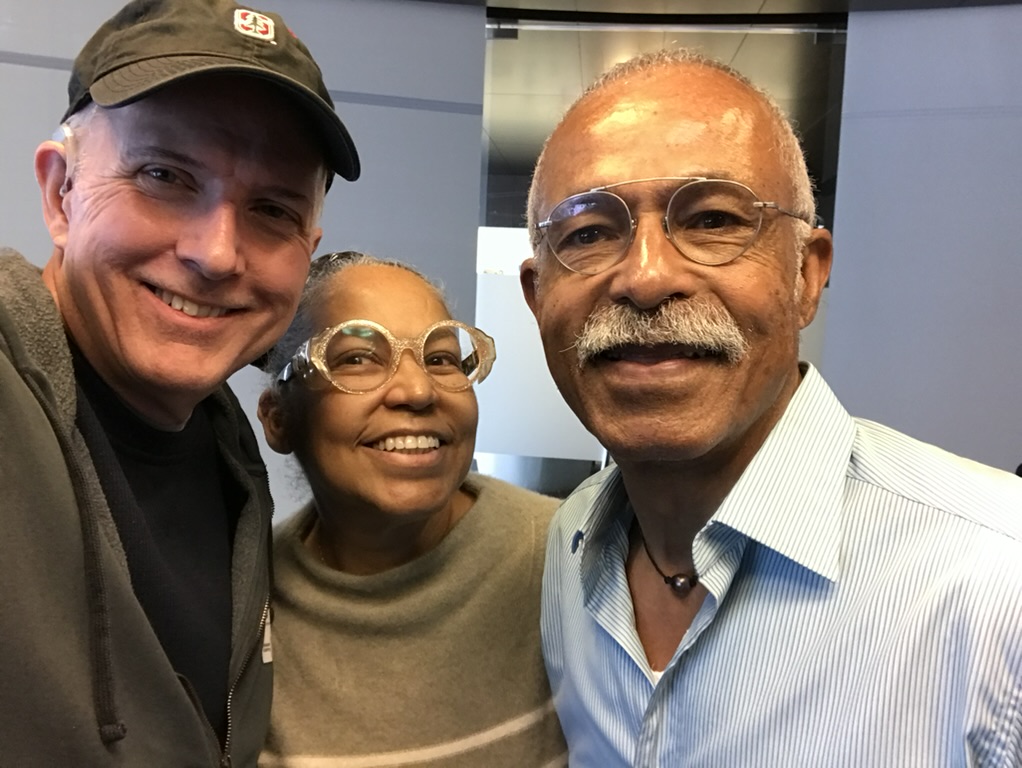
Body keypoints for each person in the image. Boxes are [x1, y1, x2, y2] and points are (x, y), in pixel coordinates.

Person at [519, 49, 1022, 766]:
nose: (648, 277)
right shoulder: (571, 546)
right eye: (589, 233)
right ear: (538, 298)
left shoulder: (998, 580)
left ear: (807, 275)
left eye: (714, 220)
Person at [0, 0, 360, 764]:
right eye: (163, 175)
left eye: (272, 209)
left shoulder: (230, 453)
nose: (218, 253)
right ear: (60, 192)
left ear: (310, 247)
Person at [255, 251, 567, 767]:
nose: (418, 390)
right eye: (356, 358)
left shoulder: (564, 557)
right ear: (278, 419)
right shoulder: (241, 610)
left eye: (441, 357)